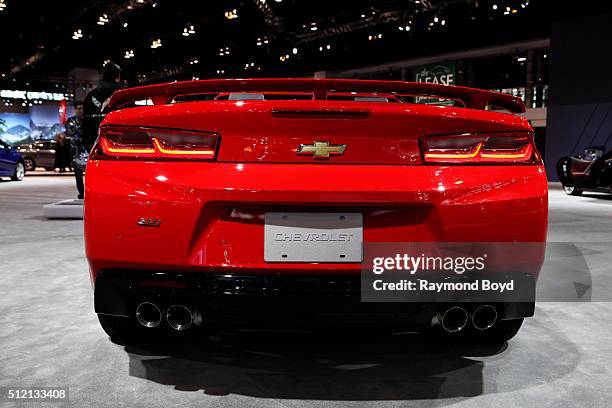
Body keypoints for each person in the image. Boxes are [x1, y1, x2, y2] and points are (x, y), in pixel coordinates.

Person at [77, 62, 123, 199]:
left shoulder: (90, 96)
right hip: (119, 144)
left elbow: (85, 124)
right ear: (117, 77)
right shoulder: (123, 95)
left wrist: (86, 144)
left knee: (98, 177)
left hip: (95, 145)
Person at [65, 101, 84, 198]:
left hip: (88, 150)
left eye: (82, 108)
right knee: (78, 174)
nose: (81, 110)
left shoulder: (88, 120)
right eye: (79, 108)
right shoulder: (70, 121)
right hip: (76, 151)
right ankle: (81, 193)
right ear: (75, 109)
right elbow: (71, 134)